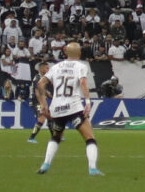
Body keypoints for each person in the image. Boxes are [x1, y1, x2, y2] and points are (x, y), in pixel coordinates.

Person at [35, 40, 101, 177]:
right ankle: (93, 168)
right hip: (74, 108)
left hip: (56, 109)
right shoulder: (81, 66)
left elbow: (40, 84)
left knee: (56, 137)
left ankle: (45, 164)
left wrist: (43, 105)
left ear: (66, 52)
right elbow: (83, 83)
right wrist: (88, 102)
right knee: (89, 138)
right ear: (80, 53)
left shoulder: (56, 67)